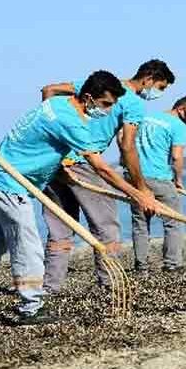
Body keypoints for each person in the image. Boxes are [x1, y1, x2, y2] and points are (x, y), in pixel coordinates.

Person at [0, 70, 157, 325]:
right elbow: (102, 168)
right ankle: (30, 306)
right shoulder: (71, 122)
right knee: (26, 244)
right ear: (88, 97)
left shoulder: (55, 104)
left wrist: (59, 169)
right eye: (105, 104)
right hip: (10, 184)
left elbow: (42, 144)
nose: (108, 111)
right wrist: (138, 194)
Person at [39, 60, 175, 293]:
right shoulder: (132, 103)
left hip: (56, 163)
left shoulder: (96, 85)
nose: (157, 93)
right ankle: (109, 286)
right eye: (160, 87)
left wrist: (55, 127)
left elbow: (48, 90)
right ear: (148, 79)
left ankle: (50, 288)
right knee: (107, 229)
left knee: (60, 230)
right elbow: (128, 145)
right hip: (86, 163)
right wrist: (141, 187)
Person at [130, 96, 186, 273]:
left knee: (140, 223)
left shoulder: (145, 119)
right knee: (173, 222)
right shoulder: (177, 126)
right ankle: (172, 264)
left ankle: (142, 267)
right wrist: (178, 180)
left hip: (135, 177)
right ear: (180, 109)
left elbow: (126, 141)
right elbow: (177, 157)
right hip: (160, 178)